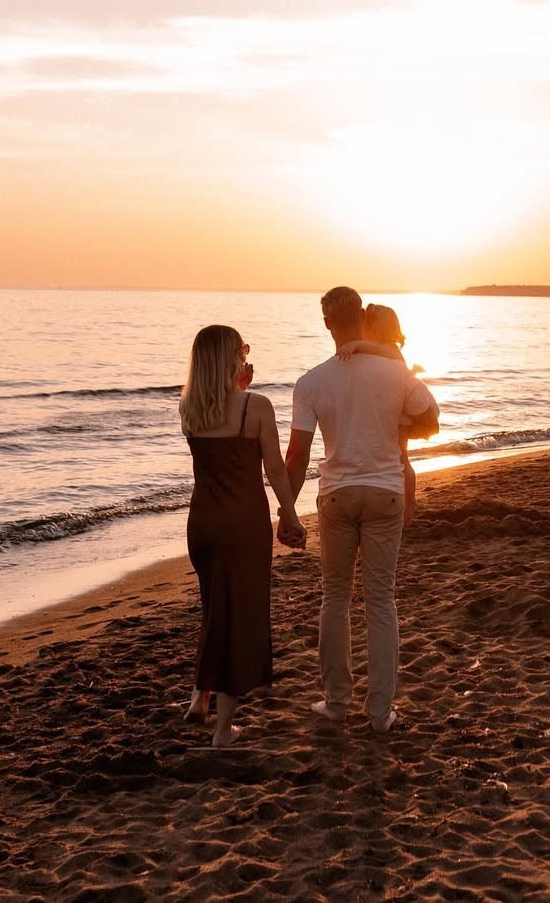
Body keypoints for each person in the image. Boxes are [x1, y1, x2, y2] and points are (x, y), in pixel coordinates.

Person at [282, 287, 439, 733]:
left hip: (337, 494)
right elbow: (431, 418)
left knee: (335, 598)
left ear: (327, 323)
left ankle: (336, 703)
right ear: (362, 317)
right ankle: (379, 712)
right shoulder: (394, 371)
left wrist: (286, 512)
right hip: (385, 491)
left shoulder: (311, 381)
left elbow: (297, 456)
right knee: (381, 600)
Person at [179, 324, 306, 747]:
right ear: (231, 359)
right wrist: (291, 517)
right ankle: (223, 730)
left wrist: (235, 387)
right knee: (239, 619)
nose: (246, 358)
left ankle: (200, 699)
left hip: (203, 523)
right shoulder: (256, 406)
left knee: (214, 608)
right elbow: (274, 470)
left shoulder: (189, 408)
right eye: (243, 351)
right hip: (243, 524)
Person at [337, 302, 418, 528]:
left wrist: (356, 344)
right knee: (399, 456)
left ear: (376, 328)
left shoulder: (389, 349)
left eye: (366, 323)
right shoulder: (383, 350)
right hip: (395, 409)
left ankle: (410, 502)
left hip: (401, 413)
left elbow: (380, 352)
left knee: (402, 457)